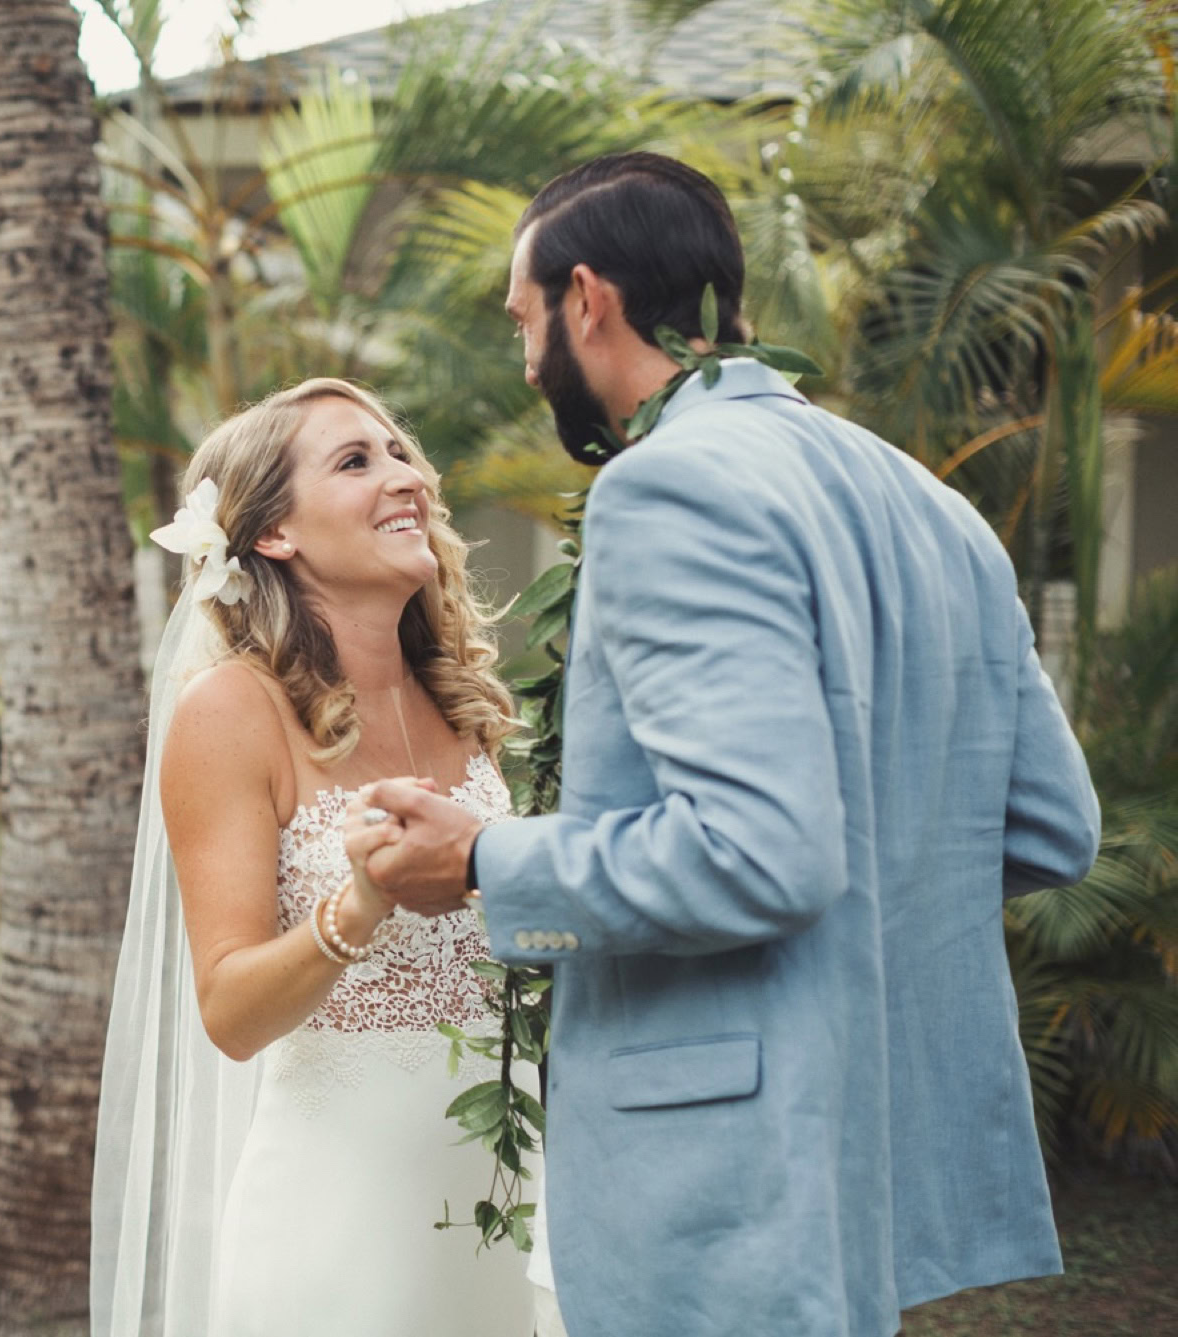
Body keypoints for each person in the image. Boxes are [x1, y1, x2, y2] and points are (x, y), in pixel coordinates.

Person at [357, 152, 1102, 1337]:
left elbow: (763, 853)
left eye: (520, 320)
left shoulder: (668, 489)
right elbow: (1051, 827)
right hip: (868, 1137)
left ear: (585, 299)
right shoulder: (929, 504)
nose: (522, 353)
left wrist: (488, 860)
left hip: (724, 1168)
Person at [90, 377, 551, 1335]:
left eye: (398, 453)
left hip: (507, 1192)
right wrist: (359, 904)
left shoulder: (468, 706)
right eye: (355, 461)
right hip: (345, 1220)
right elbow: (229, 1009)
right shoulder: (231, 710)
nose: (404, 477)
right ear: (272, 535)